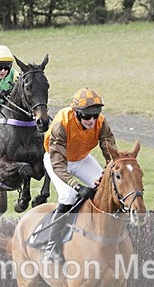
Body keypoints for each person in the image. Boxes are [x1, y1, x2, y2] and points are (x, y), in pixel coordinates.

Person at [42, 87, 117, 262]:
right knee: (69, 195)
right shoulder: (62, 124)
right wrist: (77, 185)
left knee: (108, 188)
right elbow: (58, 165)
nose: (91, 120)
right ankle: (51, 246)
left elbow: (111, 155)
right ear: (76, 113)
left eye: (95, 115)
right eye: (86, 116)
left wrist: (106, 175)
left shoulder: (101, 122)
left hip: (82, 159)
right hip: (57, 160)